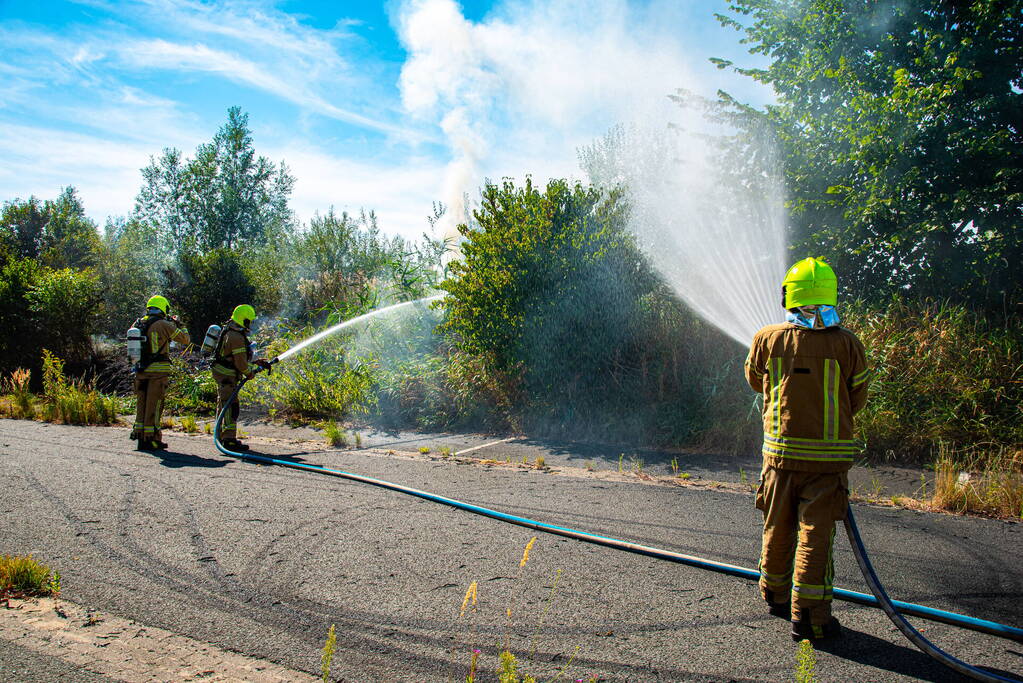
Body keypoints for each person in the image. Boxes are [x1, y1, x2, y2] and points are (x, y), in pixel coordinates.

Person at [744, 257, 871, 641]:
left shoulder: (768, 339)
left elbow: (755, 381)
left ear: (789, 296)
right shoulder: (847, 344)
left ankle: (775, 594)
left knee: (776, 525)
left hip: (779, 457)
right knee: (815, 537)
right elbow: (857, 397)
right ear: (831, 296)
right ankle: (811, 618)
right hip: (826, 465)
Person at [131, 295, 190, 451]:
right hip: (157, 372)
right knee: (155, 406)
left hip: (140, 370)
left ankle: (140, 437)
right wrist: (180, 324)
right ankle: (152, 439)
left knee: (141, 405)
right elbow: (185, 339)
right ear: (164, 308)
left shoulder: (138, 323)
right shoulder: (164, 324)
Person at [211, 304, 271, 451]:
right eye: (249, 321)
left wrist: (256, 362)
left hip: (223, 373)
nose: (250, 324)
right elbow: (240, 363)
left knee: (224, 405)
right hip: (227, 376)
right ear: (244, 320)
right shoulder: (236, 336)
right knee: (231, 407)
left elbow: (239, 355)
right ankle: (229, 440)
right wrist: (249, 372)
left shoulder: (231, 330)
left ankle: (221, 435)